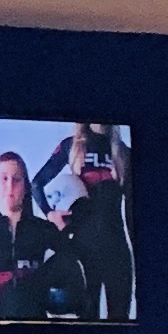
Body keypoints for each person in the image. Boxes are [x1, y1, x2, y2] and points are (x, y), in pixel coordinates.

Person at [34, 121, 134, 322]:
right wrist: (50, 214)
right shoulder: (71, 146)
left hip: (116, 250)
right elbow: (37, 184)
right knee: (87, 320)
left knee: (121, 323)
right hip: (83, 251)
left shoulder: (123, 153)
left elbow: (132, 212)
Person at [0, 149, 64, 320]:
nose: (10, 186)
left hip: (39, 325)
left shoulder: (44, 230)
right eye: (4, 179)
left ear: (25, 186)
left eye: (16, 179)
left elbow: (71, 267)